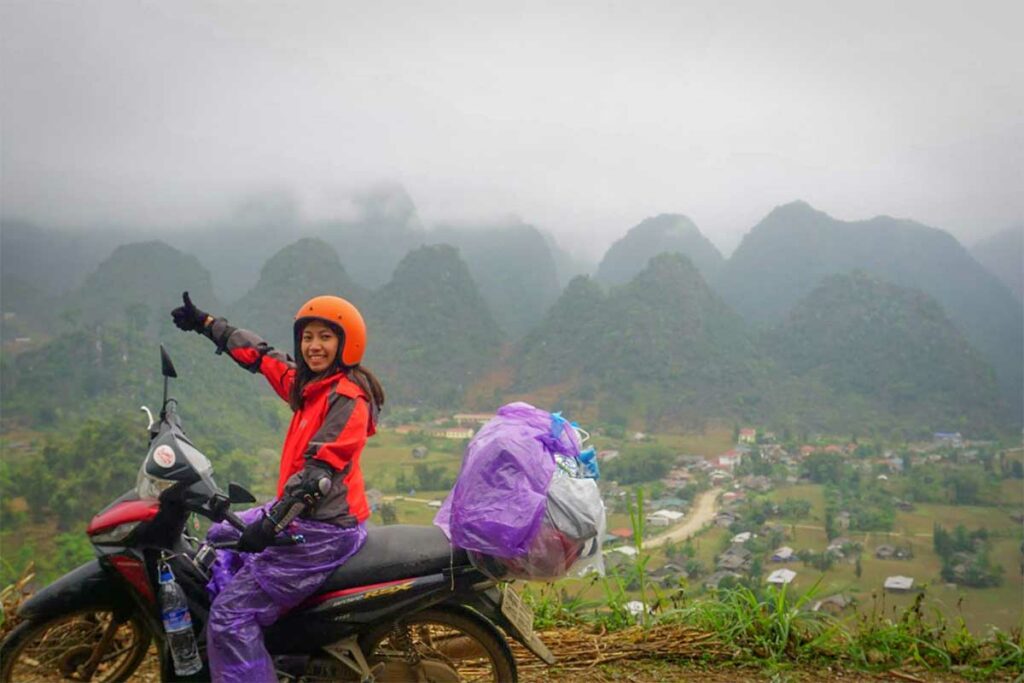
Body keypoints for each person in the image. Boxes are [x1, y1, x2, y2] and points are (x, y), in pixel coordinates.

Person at [171, 291, 385, 683]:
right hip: (302, 515)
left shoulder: (348, 398)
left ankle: (243, 638)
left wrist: (270, 524)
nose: (314, 346)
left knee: (229, 617)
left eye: (325, 337)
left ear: (346, 343)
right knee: (218, 535)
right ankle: (265, 640)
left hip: (323, 530)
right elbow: (263, 357)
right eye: (307, 337)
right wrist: (207, 324)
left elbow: (316, 478)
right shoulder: (310, 385)